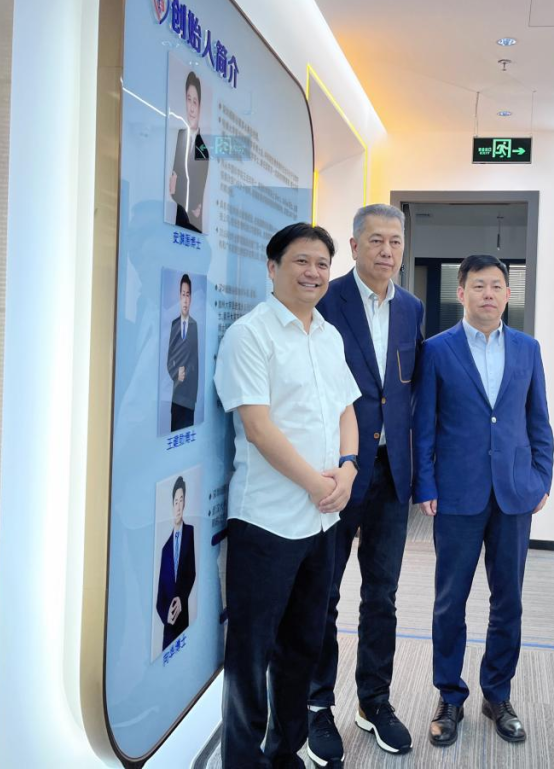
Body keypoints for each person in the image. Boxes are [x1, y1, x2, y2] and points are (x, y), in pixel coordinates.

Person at [214, 223, 361, 768]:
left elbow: (346, 409)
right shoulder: (250, 336)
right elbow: (258, 428)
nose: (313, 272)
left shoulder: (328, 335)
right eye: (301, 261)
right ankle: (242, 761)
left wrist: (348, 469)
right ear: (272, 267)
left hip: (321, 522)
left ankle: (284, 753)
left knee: (303, 645)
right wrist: (317, 484)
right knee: (251, 655)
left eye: (322, 263)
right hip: (267, 522)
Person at [413, 254, 554, 748]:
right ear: (462, 292)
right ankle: (449, 696)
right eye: (478, 286)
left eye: (496, 286)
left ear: (508, 294)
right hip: (457, 493)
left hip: (514, 493)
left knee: (508, 599)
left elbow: (538, 419)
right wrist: (426, 484)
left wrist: (542, 478)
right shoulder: (437, 350)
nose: (488, 294)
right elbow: (424, 424)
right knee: (450, 600)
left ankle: (498, 694)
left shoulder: (528, 349)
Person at [306, 205, 423, 765]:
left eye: (395, 241)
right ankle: (316, 704)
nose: (387, 250)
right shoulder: (326, 301)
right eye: (375, 240)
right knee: (324, 593)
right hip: (337, 472)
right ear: (353, 246)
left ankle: (374, 701)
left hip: (391, 475)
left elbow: (406, 393)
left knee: (382, 595)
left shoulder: (412, 308)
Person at [155, 475, 197, 651]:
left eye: (181, 501)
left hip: (184, 624)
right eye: (176, 502)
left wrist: (181, 597)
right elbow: (160, 599)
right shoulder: (165, 549)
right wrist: (167, 616)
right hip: (169, 632)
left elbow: (192, 572)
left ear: (185, 503)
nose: (178, 506)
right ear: (172, 505)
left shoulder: (190, 533)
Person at [168, 71, 209, 233]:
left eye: (195, 102)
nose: (191, 108)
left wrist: (177, 189)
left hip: (193, 225)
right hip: (175, 220)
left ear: (200, 106)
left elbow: (196, 200)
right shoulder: (178, 137)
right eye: (188, 99)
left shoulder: (203, 149)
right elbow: (171, 187)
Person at [166, 273, 200, 432]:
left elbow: (196, 361)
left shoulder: (194, 326)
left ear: (190, 298)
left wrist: (193, 399)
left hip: (189, 398)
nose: (185, 300)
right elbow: (169, 360)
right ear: (179, 297)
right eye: (183, 294)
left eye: (188, 295)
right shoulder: (174, 325)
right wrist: (176, 374)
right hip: (176, 396)